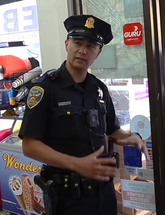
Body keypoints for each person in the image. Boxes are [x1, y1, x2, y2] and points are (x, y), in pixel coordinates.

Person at [18, 14, 149, 215]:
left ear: (98, 52)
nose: (82, 50)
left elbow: (112, 129)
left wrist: (130, 137)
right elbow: (29, 145)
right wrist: (77, 164)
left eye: (90, 46)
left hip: (104, 193)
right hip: (68, 197)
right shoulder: (45, 88)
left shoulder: (99, 89)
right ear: (66, 44)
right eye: (77, 43)